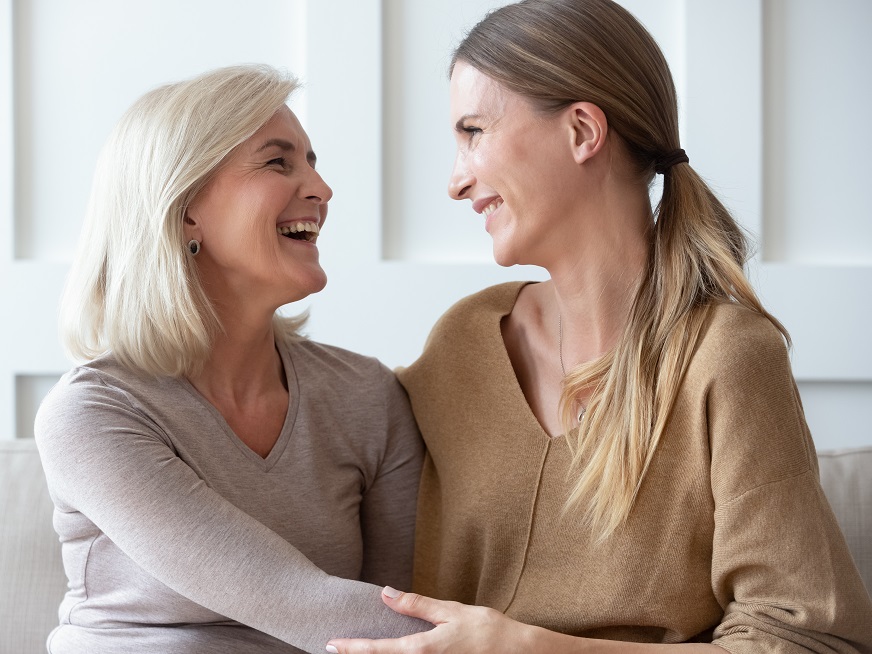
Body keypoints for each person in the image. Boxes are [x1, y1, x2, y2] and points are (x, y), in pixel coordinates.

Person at [326, 0, 872, 652]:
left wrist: (528, 647)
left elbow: (807, 638)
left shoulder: (724, 359)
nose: (455, 181)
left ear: (582, 131)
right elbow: (318, 436)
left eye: (474, 131)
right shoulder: (465, 342)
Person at [34, 64, 430, 653]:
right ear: (185, 208)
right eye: (278, 163)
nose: (321, 189)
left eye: (312, 162)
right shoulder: (93, 413)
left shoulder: (366, 394)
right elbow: (293, 598)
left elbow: (394, 607)